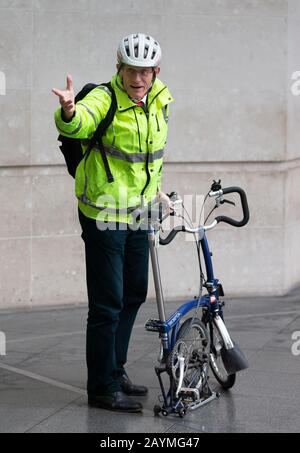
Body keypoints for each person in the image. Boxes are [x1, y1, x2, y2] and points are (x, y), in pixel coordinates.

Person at [52, 33, 174, 413]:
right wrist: (70, 112)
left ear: (156, 71)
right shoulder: (104, 98)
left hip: (139, 213)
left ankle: (115, 369)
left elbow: (149, 158)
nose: (137, 79)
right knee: (106, 303)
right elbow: (78, 122)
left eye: (144, 72)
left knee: (133, 293)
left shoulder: (160, 101)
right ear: (118, 68)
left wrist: (158, 194)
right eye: (130, 71)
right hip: (103, 214)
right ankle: (101, 386)